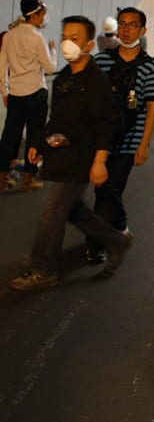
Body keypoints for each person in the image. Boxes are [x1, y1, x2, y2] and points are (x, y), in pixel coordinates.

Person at [9, 16, 132, 291]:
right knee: (74, 211)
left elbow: (105, 124)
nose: (67, 43)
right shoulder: (64, 76)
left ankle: (43, 269)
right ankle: (117, 241)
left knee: (52, 213)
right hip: (61, 156)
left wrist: (100, 162)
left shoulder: (96, 81)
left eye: (74, 38)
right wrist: (37, 144)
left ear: (89, 44)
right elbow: (56, 118)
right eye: (65, 36)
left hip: (81, 158)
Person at [86, 7, 154, 267]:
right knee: (103, 191)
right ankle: (118, 228)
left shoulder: (152, 68)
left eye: (132, 25)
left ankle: (95, 245)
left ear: (143, 30)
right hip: (100, 142)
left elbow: (152, 108)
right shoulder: (101, 61)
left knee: (110, 189)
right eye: (122, 24)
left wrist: (144, 144)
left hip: (130, 140)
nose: (126, 29)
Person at [0, 0, 57, 192]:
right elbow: (49, 68)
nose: (43, 17)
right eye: (42, 13)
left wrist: (4, 91)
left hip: (15, 94)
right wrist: (53, 51)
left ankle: (2, 178)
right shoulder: (37, 38)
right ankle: (28, 180)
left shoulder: (9, 35)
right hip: (35, 93)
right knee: (35, 136)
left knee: (9, 136)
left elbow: (2, 66)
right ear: (35, 14)